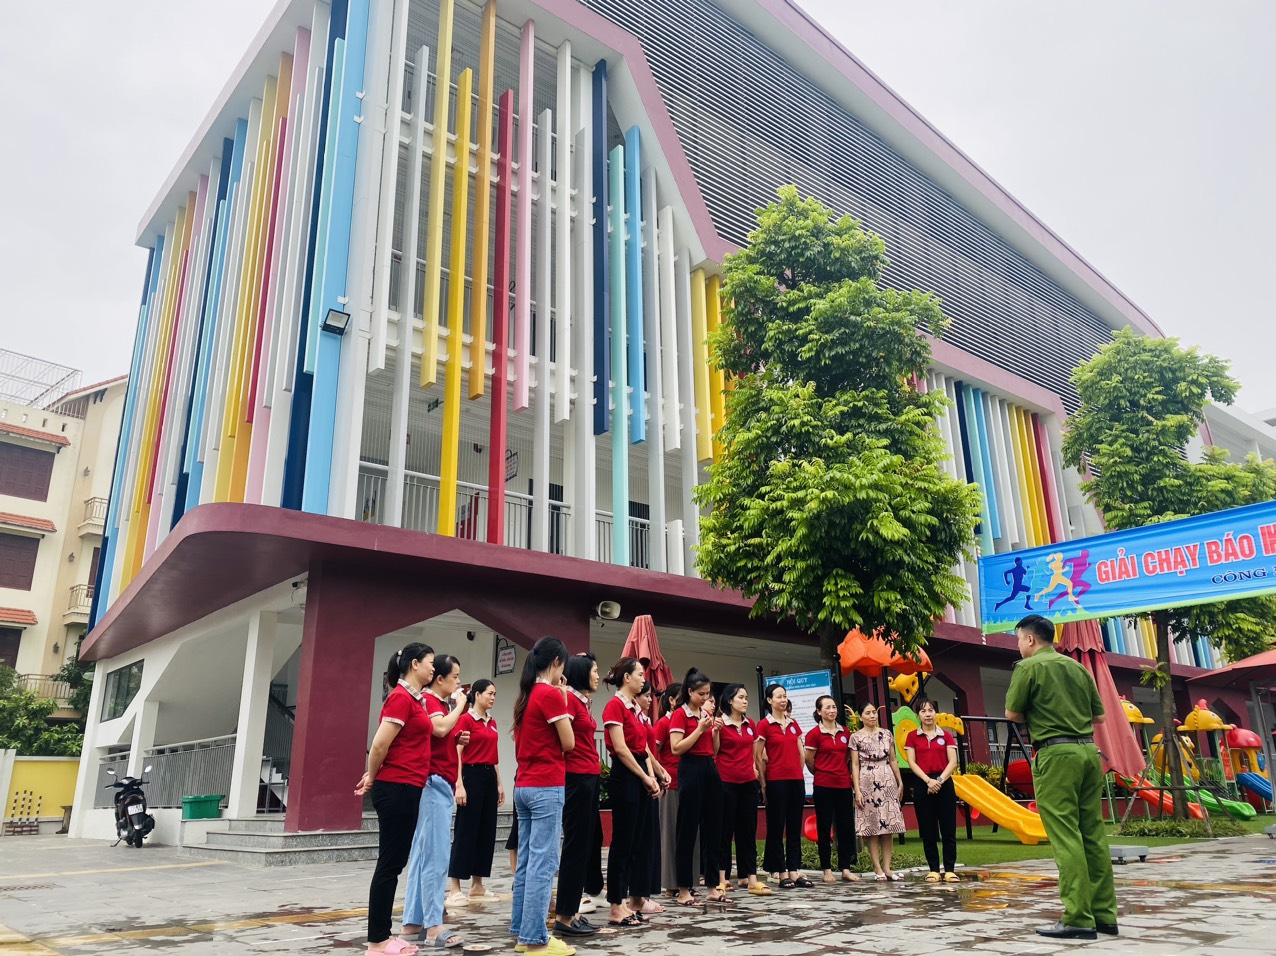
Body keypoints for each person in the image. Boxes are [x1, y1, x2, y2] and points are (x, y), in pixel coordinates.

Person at [1005, 614, 1117, 941]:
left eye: (1018, 639)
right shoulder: (1078, 668)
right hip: (1088, 752)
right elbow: (1099, 716)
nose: (1018, 646)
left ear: (1030, 639)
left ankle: (1078, 917)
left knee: (1066, 836)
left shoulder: (1028, 667)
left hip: (1055, 755)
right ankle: (1104, 915)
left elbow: (1012, 714)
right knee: (1093, 834)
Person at [355, 643, 434, 956]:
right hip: (397, 787)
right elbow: (379, 745)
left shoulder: (413, 699)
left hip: (406, 786)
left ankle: (383, 936)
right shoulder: (401, 698)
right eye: (429, 662)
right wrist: (372, 776)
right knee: (390, 864)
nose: (433, 668)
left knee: (394, 862)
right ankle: (377, 942)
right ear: (414, 664)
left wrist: (373, 774)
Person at [510, 637, 576, 956]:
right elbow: (568, 742)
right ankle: (536, 939)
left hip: (524, 784)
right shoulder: (549, 695)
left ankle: (522, 933)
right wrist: (563, 698)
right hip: (546, 785)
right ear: (556, 663)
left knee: (526, 862)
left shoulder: (526, 695)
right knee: (543, 863)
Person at [402, 656, 469, 947]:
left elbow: (440, 735)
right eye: (454, 676)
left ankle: (413, 922)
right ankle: (433, 924)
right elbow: (439, 729)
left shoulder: (437, 704)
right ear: (440, 679)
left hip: (437, 782)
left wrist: (456, 737)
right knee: (435, 856)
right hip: (433, 783)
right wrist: (461, 706)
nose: (458, 682)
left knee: (423, 856)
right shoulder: (431, 701)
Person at [601, 657, 662, 927]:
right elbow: (621, 748)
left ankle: (626, 902)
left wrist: (654, 774)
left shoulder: (634, 708)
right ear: (626, 677)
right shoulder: (615, 706)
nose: (642, 679)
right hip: (625, 774)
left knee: (636, 842)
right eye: (639, 674)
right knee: (623, 843)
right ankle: (616, 904)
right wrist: (644, 776)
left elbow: (642, 748)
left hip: (637, 773)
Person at [553, 654, 602, 938]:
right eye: (594, 671)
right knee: (575, 845)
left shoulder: (580, 701)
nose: (597, 676)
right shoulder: (568, 700)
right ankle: (564, 916)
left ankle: (571, 912)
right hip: (576, 778)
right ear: (582, 673)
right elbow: (562, 739)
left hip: (589, 777)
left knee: (585, 844)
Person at [669, 667, 727, 905]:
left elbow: (714, 749)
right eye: (701, 694)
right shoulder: (680, 714)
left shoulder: (706, 714)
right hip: (690, 768)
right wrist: (700, 729)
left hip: (709, 767)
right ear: (690, 691)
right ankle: (684, 889)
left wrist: (715, 732)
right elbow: (676, 748)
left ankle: (712, 886)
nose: (705, 698)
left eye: (708, 694)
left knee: (713, 829)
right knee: (687, 829)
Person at [447, 679, 503, 905]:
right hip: (471, 776)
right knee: (466, 830)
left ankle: (477, 885)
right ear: (477, 695)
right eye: (489, 693)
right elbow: (457, 752)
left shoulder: (493, 722)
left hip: (489, 776)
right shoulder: (466, 720)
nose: (493, 697)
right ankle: (454, 888)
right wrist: (459, 784)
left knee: (486, 831)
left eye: (495, 694)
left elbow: (494, 754)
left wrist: (499, 783)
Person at [716, 684, 770, 895]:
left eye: (746, 697)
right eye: (741, 697)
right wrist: (715, 731)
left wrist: (758, 775)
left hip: (748, 783)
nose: (745, 701)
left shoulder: (751, 724)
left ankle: (751, 878)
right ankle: (722, 879)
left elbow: (755, 755)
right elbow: (714, 751)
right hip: (725, 783)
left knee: (747, 832)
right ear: (730, 700)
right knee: (724, 832)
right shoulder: (721, 723)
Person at [758, 683, 809, 889]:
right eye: (779, 696)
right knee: (777, 827)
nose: (783, 700)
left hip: (795, 780)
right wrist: (763, 784)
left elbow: (801, 752)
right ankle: (780, 872)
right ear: (770, 700)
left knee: (795, 827)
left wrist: (798, 772)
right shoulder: (764, 725)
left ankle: (794, 870)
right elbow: (758, 757)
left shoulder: (793, 723)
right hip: (775, 781)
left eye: (785, 696)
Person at [903, 697, 959, 883]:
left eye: (931, 710)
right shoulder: (912, 736)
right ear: (918, 715)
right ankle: (933, 869)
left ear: (936, 713)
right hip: (922, 783)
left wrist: (939, 781)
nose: (927, 714)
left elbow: (953, 762)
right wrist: (928, 781)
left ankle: (949, 869)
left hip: (944, 783)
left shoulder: (946, 735)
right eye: (923, 711)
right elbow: (911, 762)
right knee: (928, 830)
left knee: (948, 829)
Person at [804, 695, 859, 884]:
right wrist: (822, 771)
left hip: (843, 785)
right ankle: (826, 869)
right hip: (823, 786)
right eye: (827, 707)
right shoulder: (814, 734)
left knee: (846, 827)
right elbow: (809, 760)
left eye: (834, 707)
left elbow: (848, 758)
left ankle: (845, 868)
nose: (832, 710)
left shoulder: (845, 732)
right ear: (819, 711)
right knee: (824, 827)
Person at [850, 702, 905, 881]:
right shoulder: (856, 737)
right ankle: (877, 867)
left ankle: (887, 867)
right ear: (861, 717)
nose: (872, 715)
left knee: (889, 825)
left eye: (874, 712)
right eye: (868, 713)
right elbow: (855, 764)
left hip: (887, 778)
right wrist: (857, 789)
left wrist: (899, 781)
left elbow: (893, 759)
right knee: (872, 826)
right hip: (866, 780)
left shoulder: (886, 734)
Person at [634, 681, 672, 913]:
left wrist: (658, 772)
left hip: (649, 779)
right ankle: (635, 898)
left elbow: (648, 752)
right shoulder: (626, 713)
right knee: (639, 842)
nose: (650, 700)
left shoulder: (644, 718)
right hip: (637, 781)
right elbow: (640, 750)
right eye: (645, 696)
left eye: (651, 696)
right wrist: (650, 776)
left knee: (649, 840)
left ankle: (643, 895)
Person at [653, 684, 684, 896]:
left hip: (688, 782)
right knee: (669, 835)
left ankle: (686, 881)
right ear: (671, 700)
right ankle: (670, 883)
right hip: (670, 784)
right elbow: (653, 753)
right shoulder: (664, 724)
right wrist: (660, 776)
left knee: (685, 835)